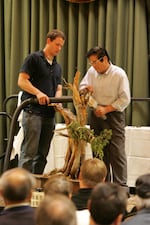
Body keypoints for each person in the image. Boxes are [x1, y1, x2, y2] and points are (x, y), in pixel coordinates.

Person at [79, 46, 130, 189]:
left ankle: (120, 187)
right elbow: (82, 86)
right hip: (96, 113)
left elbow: (125, 99)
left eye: (95, 62)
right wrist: (85, 89)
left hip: (114, 114)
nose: (93, 66)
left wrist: (107, 109)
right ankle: (102, 185)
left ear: (105, 59)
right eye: (91, 63)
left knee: (116, 151)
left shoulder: (119, 74)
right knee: (99, 151)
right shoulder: (91, 72)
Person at [17, 29, 65, 174]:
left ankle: (35, 183)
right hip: (33, 112)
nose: (59, 49)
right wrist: (38, 93)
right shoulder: (34, 59)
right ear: (48, 41)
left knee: (42, 154)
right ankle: (21, 188)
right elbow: (22, 81)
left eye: (61, 46)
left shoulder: (57, 67)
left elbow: (58, 88)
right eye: (57, 44)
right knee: (29, 153)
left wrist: (58, 101)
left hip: (49, 115)